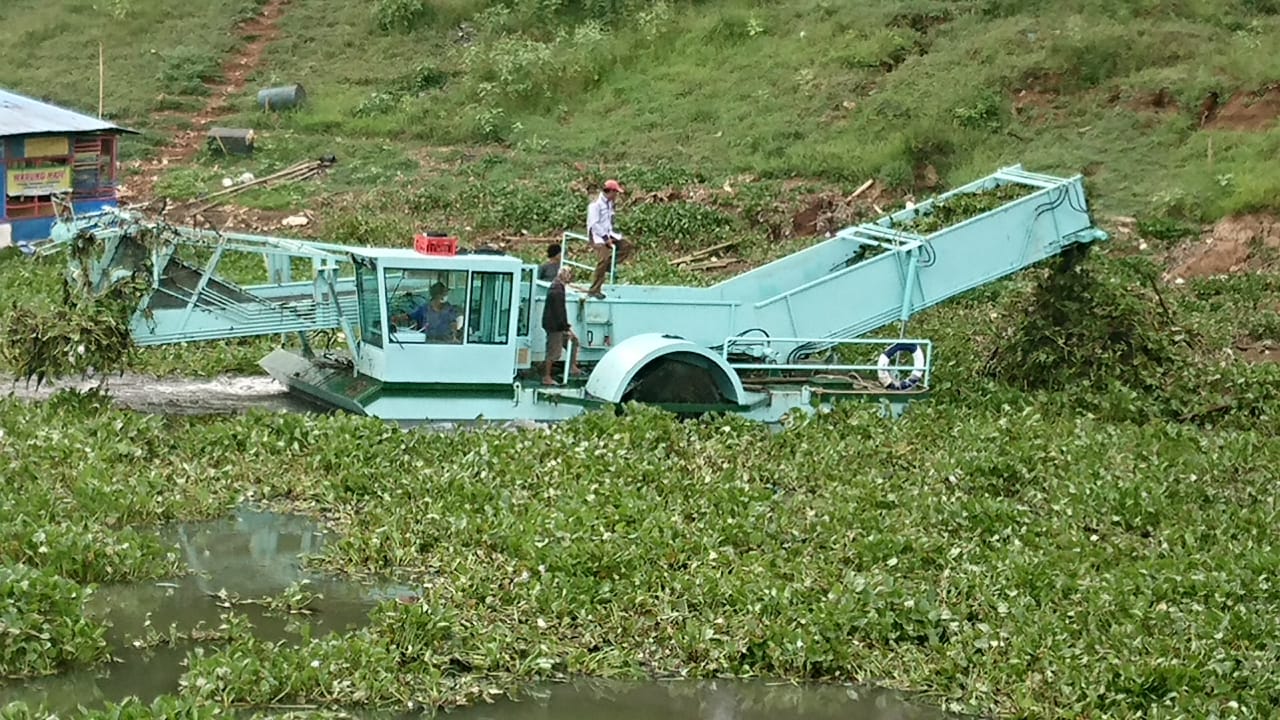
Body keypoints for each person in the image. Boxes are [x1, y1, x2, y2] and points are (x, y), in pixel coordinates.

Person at [585, 179, 633, 299]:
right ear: (610, 191)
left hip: (607, 232)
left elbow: (609, 218)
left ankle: (609, 266)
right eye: (615, 192)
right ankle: (594, 289)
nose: (616, 195)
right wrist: (606, 238)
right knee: (603, 258)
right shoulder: (595, 204)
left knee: (626, 245)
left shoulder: (609, 203)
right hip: (597, 235)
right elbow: (594, 224)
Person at [541, 266, 582, 384]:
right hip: (554, 326)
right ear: (564, 275)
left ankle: (571, 367)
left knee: (573, 341)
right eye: (569, 274)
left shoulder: (558, 287)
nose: (570, 276)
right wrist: (566, 328)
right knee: (554, 352)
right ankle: (546, 377)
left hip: (557, 324)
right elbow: (559, 311)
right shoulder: (557, 290)